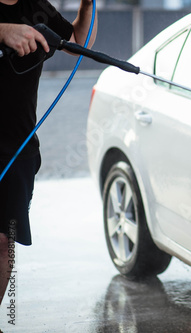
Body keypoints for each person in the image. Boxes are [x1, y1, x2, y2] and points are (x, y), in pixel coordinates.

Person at [0, 0, 97, 305]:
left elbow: (77, 42)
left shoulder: (36, 6)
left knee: (5, 241)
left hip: (17, 148)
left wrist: (88, 4)